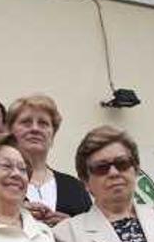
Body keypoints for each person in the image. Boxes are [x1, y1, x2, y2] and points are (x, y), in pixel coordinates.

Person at [6, 93, 91, 226]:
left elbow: (91, 234)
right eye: (26, 122)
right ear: (10, 133)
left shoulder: (75, 188)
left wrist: (71, 227)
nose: (35, 128)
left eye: (43, 123)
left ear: (52, 135)